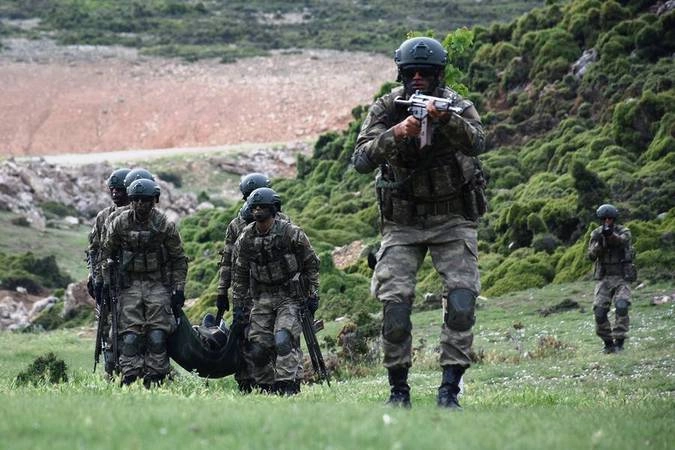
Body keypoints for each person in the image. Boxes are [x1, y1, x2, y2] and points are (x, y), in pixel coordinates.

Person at [352, 37, 486, 409]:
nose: (418, 79)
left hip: (452, 217)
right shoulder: (387, 107)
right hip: (403, 221)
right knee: (395, 307)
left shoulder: (457, 105)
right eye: (411, 73)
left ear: (438, 74)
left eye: (425, 73)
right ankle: (399, 391)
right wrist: (397, 133)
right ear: (402, 74)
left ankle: (449, 390)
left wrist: (446, 120)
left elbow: (478, 142)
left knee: (461, 301)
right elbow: (361, 159)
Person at [231, 187, 320, 396]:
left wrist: (313, 294)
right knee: (257, 348)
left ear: (273, 209)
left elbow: (312, 263)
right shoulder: (245, 238)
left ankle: (288, 386)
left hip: (289, 297)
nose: (258, 211)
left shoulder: (290, 233)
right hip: (261, 298)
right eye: (255, 207)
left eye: (262, 207)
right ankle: (267, 388)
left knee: (283, 339)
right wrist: (238, 306)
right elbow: (240, 273)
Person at [100, 178, 188, 387]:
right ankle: (130, 377)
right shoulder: (119, 223)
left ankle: (156, 377)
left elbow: (178, 258)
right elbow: (106, 253)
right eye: (136, 199)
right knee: (130, 337)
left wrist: (178, 288)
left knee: (157, 336)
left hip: (157, 284)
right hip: (128, 285)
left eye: (145, 200)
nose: (140, 204)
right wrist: (105, 281)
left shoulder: (163, 224)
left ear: (154, 200)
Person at [214, 172, 276, 393]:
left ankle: (275, 379)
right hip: (244, 289)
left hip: (273, 287)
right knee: (242, 334)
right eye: (249, 197)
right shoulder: (236, 225)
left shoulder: (280, 222)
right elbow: (227, 261)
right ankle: (246, 381)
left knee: (273, 335)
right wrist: (222, 291)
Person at [87, 167, 131, 376]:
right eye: (112, 189)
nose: (115, 193)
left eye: (119, 189)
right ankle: (111, 370)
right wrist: (96, 279)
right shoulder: (103, 216)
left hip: (130, 282)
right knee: (107, 329)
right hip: (107, 283)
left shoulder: (137, 216)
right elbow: (94, 250)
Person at [587, 204, 635, 353]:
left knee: (621, 306)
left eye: (610, 219)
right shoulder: (596, 234)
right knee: (599, 311)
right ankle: (608, 343)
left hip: (621, 276)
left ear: (614, 219)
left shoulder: (624, 231)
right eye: (604, 219)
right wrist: (600, 243)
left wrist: (610, 236)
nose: (607, 221)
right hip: (604, 278)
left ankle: (619, 341)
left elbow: (622, 242)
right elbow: (591, 256)